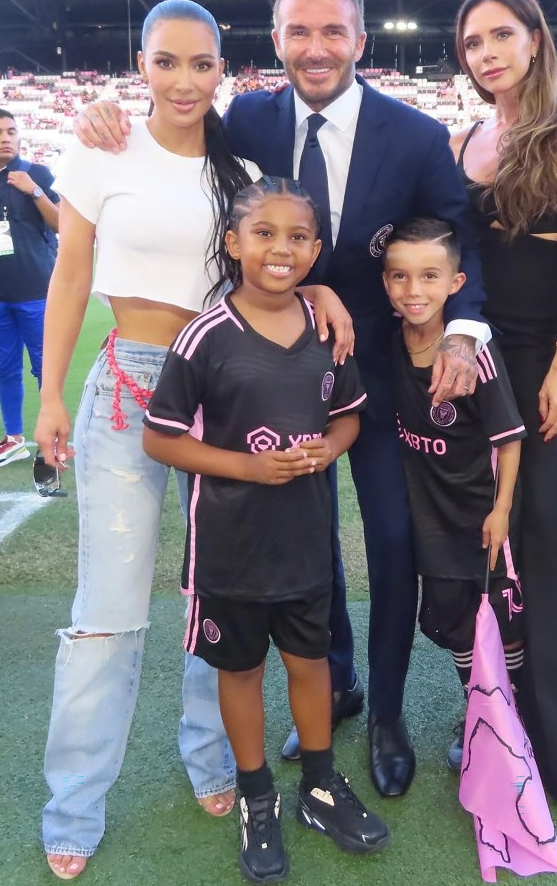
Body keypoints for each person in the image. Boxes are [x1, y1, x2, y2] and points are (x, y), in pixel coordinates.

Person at [73, 0, 488, 799]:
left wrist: (464, 327)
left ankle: (389, 714)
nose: (316, 47)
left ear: (360, 40)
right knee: (307, 547)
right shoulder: (245, 121)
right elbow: (172, 134)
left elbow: (460, 243)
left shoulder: (410, 134)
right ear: (276, 41)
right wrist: (103, 117)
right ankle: (332, 687)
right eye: (299, 31)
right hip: (260, 381)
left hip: (371, 379)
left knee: (391, 541)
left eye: (333, 30)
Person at [35, 0, 264, 881]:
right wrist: (50, 393)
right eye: (167, 63)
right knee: (109, 605)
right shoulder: (101, 150)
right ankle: (75, 804)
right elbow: (72, 274)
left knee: (219, 591)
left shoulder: (239, 166)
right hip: (127, 380)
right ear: (142, 65)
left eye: (201, 64)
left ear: (221, 70)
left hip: (221, 383)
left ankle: (213, 759)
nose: (183, 80)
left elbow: (268, 267)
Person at [143, 177, 387, 884]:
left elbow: (349, 416)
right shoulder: (205, 336)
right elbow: (161, 440)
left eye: (298, 237)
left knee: (311, 664)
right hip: (231, 548)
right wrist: (246, 469)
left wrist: (329, 448)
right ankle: (256, 796)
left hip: (306, 544)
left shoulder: (324, 331)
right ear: (234, 243)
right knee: (241, 671)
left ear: (315, 249)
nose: (281, 249)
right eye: (264, 234)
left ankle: (317, 786)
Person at [450, 0, 557, 804]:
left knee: (540, 536)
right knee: (479, 534)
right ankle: (484, 713)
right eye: (473, 43)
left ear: (536, 38)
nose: (486, 54)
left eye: (500, 35)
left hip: (537, 353)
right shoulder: (463, 138)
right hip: (472, 359)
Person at [381, 217, 526, 771]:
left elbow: (509, 442)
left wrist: (501, 512)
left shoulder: (471, 354)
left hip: (477, 518)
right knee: (455, 621)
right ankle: (479, 711)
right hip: (428, 519)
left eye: (428, 276)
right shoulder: (389, 344)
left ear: (455, 284)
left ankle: (509, 718)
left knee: (501, 622)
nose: (413, 291)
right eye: (399, 276)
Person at [0, 107, 60, 468]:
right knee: (4, 368)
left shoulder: (36, 173)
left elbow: (60, 224)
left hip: (36, 289)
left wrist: (35, 191)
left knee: (44, 367)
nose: (6, 137)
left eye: (11, 131)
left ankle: (51, 436)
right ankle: (13, 438)